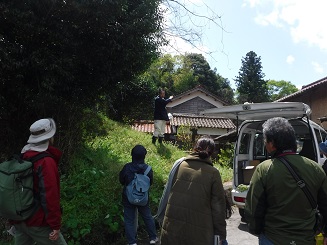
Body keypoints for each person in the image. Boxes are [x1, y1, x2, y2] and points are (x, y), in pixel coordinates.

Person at [244, 117, 327, 245]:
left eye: (265, 141)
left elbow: (254, 208)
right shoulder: (316, 168)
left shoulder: (264, 169)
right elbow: (325, 205)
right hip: (306, 238)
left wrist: (256, 230)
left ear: (271, 144)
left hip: (272, 238)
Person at [160, 136, 228, 245]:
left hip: (172, 229)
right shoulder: (213, 173)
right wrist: (220, 235)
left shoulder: (180, 165)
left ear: (195, 148)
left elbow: (168, 192)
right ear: (212, 152)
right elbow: (218, 209)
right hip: (200, 234)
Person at [14, 118, 67, 245]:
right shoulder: (46, 162)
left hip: (20, 218)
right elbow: (49, 196)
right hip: (37, 221)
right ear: (50, 137)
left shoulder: (24, 154)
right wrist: (55, 224)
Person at [119, 145, 158, 245]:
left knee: (129, 220)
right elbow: (150, 183)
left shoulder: (127, 167)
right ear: (144, 156)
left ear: (132, 155)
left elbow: (121, 180)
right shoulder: (148, 169)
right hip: (143, 198)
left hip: (128, 198)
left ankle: (132, 242)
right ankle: (153, 238)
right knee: (147, 217)